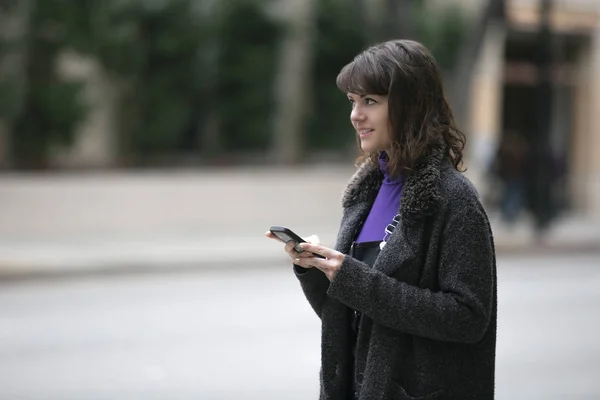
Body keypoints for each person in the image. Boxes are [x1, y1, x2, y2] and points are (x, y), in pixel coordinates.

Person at [266, 39, 497, 400]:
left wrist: (355, 279)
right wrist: (316, 271)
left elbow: (468, 318)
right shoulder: (364, 194)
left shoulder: (454, 200)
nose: (356, 115)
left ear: (411, 106)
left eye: (370, 101)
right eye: (353, 102)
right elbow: (346, 320)